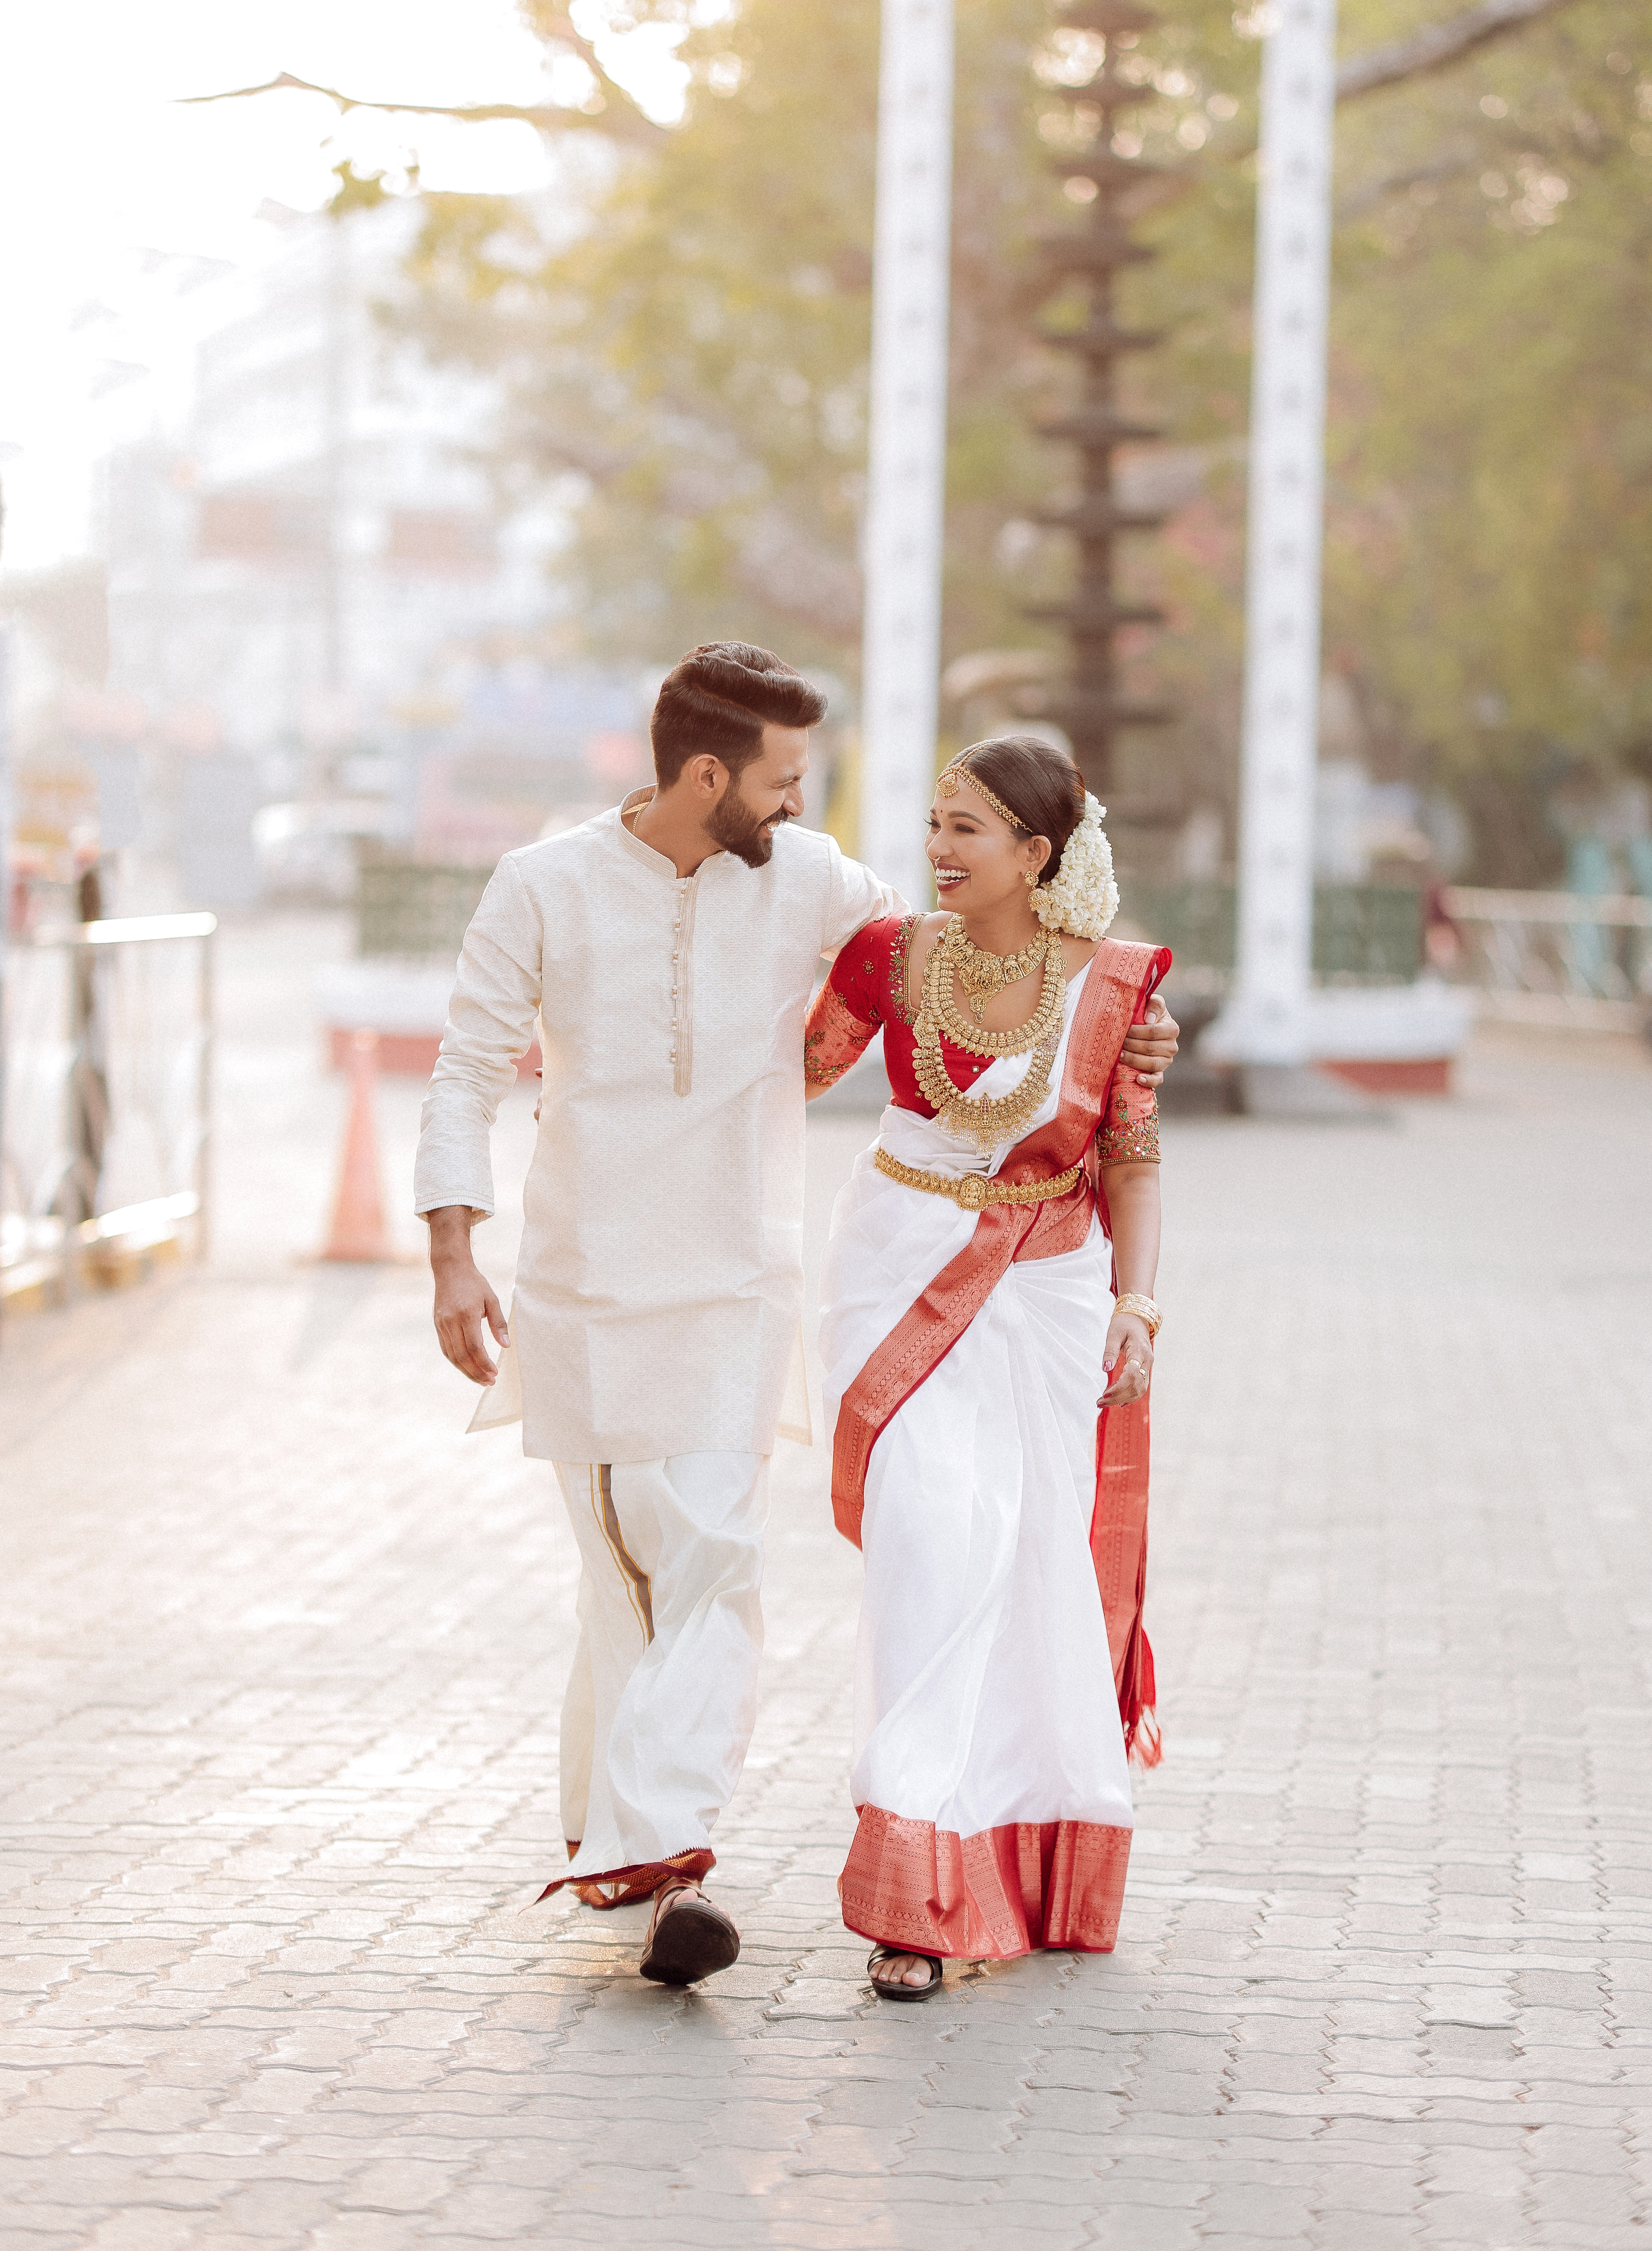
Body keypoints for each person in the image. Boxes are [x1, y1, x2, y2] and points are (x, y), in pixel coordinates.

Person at [415, 646, 1180, 1987]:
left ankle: (667, 1852)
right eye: (780, 778)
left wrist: (1123, 1032)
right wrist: (452, 1251)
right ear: (705, 772)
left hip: (737, 1282)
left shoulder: (815, 882)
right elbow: (468, 1063)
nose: (798, 803)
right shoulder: (541, 886)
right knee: (625, 1575)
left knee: (708, 1554)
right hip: (586, 1288)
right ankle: (611, 1822)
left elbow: (978, 955)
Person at [804, 736, 1166, 2001]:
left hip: (1048, 1292)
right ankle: (914, 1876)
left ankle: (994, 1868)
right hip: (898, 1261)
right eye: (935, 822)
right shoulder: (892, 956)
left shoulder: (1115, 990)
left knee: (1023, 1561)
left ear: (1037, 851)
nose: (940, 847)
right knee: (926, 1537)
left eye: (969, 828)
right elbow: (782, 1070)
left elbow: (1131, 1156)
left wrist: (1137, 1301)